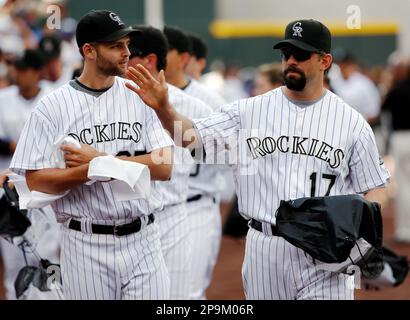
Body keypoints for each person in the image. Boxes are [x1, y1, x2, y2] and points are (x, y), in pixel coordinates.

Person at [126, 18, 390, 300]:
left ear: (325, 61)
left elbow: (375, 186)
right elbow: (191, 137)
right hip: (265, 247)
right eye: (286, 54)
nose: (291, 61)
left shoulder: (350, 122)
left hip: (323, 252)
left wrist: (353, 230)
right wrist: (165, 109)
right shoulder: (249, 111)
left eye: (301, 55)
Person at [9, 10, 174, 300]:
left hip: (144, 239)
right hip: (85, 243)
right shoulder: (53, 107)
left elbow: (164, 166)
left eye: (126, 44)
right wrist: (87, 170)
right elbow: (34, 182)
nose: (126, 53)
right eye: (116, 46)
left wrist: (100, 161)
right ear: (89, 51)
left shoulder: (139, 94)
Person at [128, 25, 213, 299]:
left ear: (149, 60)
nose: (123, 58)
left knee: (180, 300)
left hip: (178, 214)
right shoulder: (114, 100)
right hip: (129, 220)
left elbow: (226, 157)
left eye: (130, 53)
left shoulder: (195, 105)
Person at [162, 26, 225, 299]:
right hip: (156, 211)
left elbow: (234, 155)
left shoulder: (209, 101)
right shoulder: (138, 96)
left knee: (186, 296)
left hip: (195, 205)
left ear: (183, 58)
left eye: (165, 49)